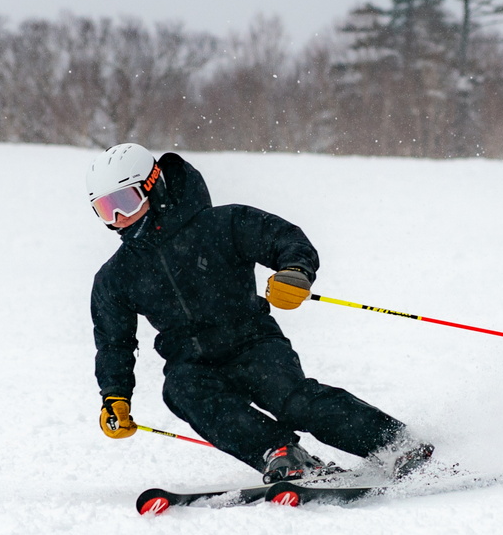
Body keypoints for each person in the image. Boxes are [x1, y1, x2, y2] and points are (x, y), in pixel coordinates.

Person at [87, 143, 432, 481]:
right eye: (105, 210)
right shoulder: (117, 276)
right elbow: (113, 343)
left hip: (253, 343)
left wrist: (295, 271)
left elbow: (285, 239)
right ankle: (280, 453)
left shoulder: (221, 224)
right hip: (191, 363)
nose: (118, 219)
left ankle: (398, 444)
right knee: (181, 391)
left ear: (154, 186)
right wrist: (115, 395)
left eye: (125, 202)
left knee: (294, 402)